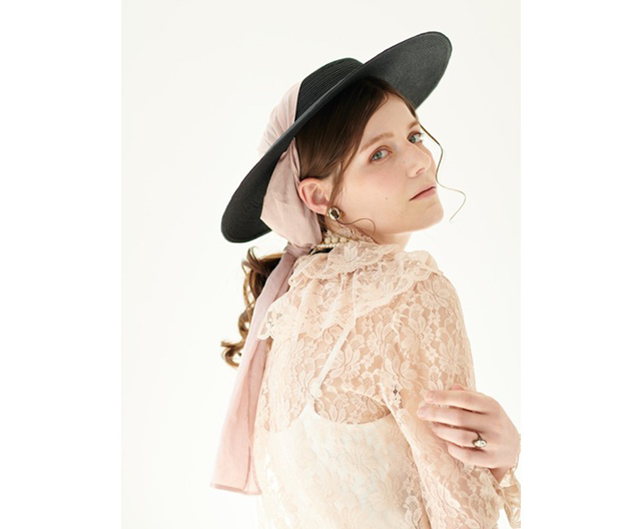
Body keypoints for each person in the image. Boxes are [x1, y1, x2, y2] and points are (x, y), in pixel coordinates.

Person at [211, 31, 521, 528]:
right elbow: (465, 517)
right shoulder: (410, 291)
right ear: (318, 197)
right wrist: (505, 460)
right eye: (379, 153)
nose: (420, 160)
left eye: (413, 136)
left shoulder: (286, 311)